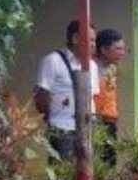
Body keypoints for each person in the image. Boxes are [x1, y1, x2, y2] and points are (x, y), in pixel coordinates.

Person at [34, 20, 100, 161]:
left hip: (87, 130)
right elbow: (41, 96)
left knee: (87, 174)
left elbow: (93, 96)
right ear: (75, 38)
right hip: (62, 129)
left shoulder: (92, 66)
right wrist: (52, 118)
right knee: (63, 173)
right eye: (91, 40)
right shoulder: (53, 61)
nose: (94, 45)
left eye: (95, 40)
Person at [93, 28, 126, 161]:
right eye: (118, 49)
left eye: (123, 49)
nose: (122, 53)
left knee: (109, 162)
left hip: (110, 121)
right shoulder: (90, 67)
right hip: (95, 120)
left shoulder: (112, 68)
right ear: (103, 49)